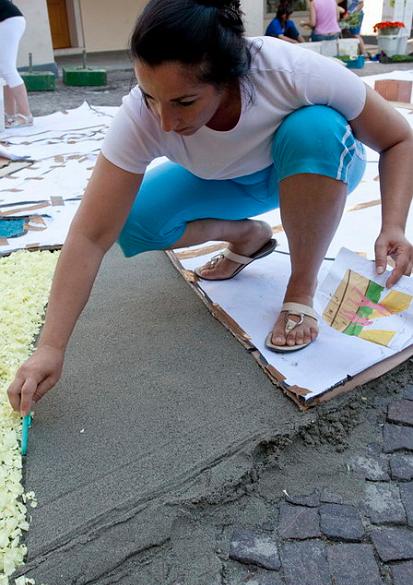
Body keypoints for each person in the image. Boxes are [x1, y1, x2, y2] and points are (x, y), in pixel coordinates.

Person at [8, 0, 413, 416]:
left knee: (315, 128)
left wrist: (393, 225)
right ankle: (247, 235)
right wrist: (50, 348)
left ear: (231, 77)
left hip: (315, 166)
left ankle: (300, 288)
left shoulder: (290, 72)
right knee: (132, 219)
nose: (165, 122)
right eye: (150, 97)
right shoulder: (143, 116)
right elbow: (90, 235)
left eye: (184, 102)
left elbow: (399, 139)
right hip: (230, 182)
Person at [0, 0, 33, 128]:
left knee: (7, 69)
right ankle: (10, 114)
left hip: (9, 20)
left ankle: (26, 115)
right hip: (9, 20)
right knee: (4, 70)